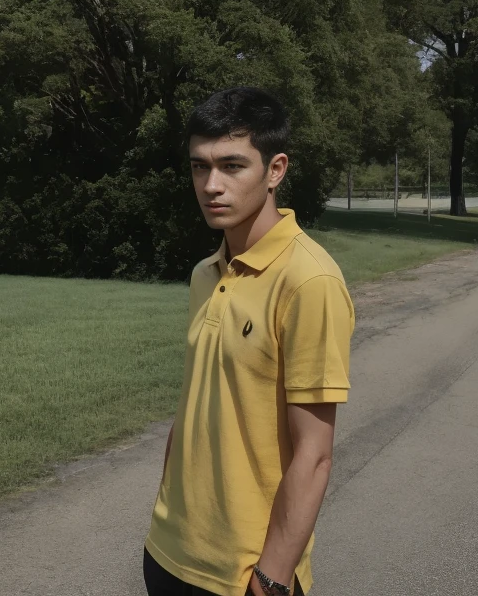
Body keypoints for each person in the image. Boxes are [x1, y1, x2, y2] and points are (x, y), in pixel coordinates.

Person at [143, 86, 355, 596]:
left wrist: (271, 579)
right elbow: (196, 403)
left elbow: (315, 454)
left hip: (245, 574)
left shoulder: (309, 281)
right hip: (168, 552)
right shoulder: (203, 274)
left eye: (233, 166)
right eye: (199, 167)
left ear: (275, 170)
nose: (211, 185)